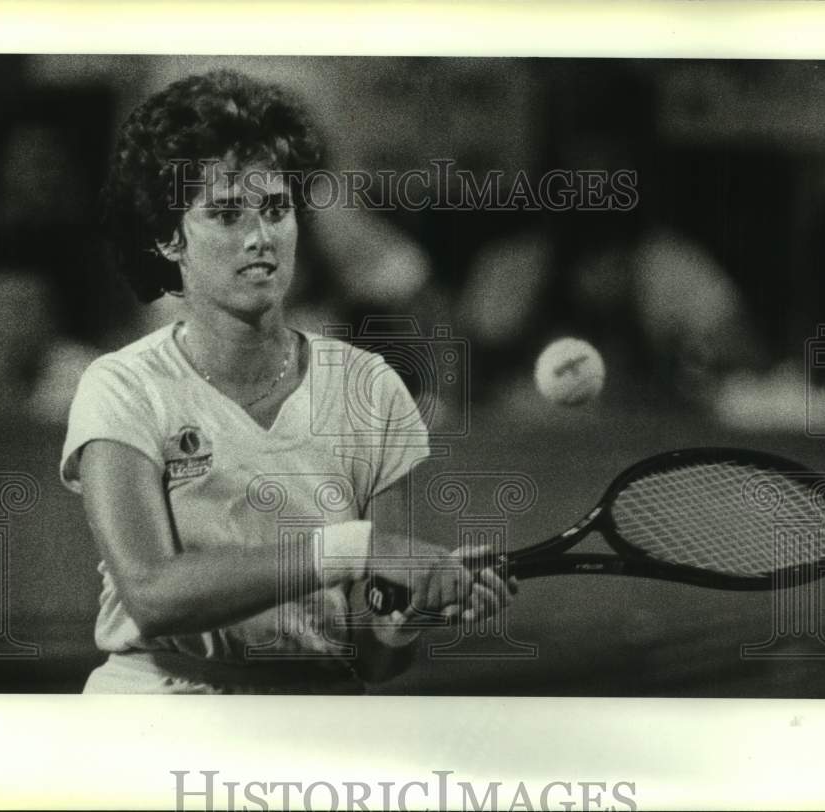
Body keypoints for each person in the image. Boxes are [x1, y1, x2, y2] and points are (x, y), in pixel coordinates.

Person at [60, 68, 516, 694]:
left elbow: (375, 658)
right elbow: (154, 594)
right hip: (157, 710)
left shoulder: (371, 388)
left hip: (316, 716)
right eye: (225, 213)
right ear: (169, 239)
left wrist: (414, 607)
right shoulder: (122, 385)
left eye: (276, 209)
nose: (259, 237)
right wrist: (354, 548)